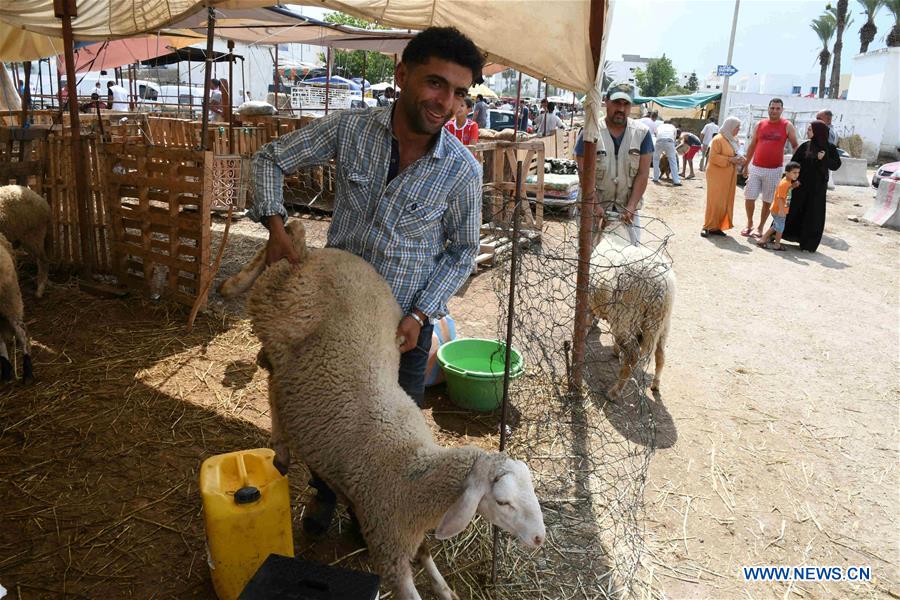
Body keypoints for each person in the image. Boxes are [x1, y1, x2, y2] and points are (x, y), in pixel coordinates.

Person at [250, 26, 484, 534]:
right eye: (435, 83)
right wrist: (274, 228)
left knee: (394, 431)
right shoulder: (352, 129)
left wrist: (422, 313)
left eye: (459, 93)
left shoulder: (462, 171)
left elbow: (463, 251)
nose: (446, 102)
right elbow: (269, 159)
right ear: (402, 74)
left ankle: (376, 512)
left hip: (402, 325)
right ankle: (325, 492)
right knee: (324, 415)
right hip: (332, 315)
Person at [573, 81, 653, 241]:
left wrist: (631, 207)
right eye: (616, 102)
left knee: (629, 258)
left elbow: (643, 174)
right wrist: (595, 205)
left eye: (626, 104)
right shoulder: (590, 131)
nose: (621, 109)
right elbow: (583, 173)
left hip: (627, 212)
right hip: (594, 210)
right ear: (606, 101)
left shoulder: (642, 134)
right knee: (590, 258)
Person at [741, 97, 800, 238]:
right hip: (756, 167)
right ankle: (749, 224)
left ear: (782, 110)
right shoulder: (760, 124)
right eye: (772, 108)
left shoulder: (787, 125)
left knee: (767, 200)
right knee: (749, 196)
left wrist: (792, 170)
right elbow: (752, 145)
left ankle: (760, 227)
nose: (774, 111)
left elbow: (795, 146)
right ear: (768, 108)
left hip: (774, 169)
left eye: (777, 108)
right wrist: (746, 165)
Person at [782, 120, 841, 252]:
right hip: (800, 186)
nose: (807, 132)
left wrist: (824, 159)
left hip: (817, 189)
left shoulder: (830, 148)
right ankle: (782, 234)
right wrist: (789, 180)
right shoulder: (805, 146)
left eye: (810, 130)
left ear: (818, 132)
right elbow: (794, 163)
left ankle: (808, 244)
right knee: (794, 210)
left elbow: (836, 165)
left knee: (813, 215)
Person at [702, 117, 745, 237]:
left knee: (724, 201)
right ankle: (707, 226)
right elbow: (713, 158)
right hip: (716, 174)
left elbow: (736, 153)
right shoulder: (718, 139)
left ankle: (716, 227)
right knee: (714, 200)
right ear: (730, 127)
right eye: (737, 127)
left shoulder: (733, 140)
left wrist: (740, 159)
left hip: (729, 174)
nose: (738, 129)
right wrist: (731, 159)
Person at [756, 162, 801, 251]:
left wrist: (792, 186)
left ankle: (762, 240)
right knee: (780, 228)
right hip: (779, 210)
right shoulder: (785, 183)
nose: (796, 175)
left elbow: (786, 192)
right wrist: (781, 210)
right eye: (794, 172)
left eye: (798, 172)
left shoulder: (787, 182)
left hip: (779, 209)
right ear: (787, 172)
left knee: (776, 226)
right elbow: (780, 198)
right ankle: (777, 245)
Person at [652, 120, 681, 186]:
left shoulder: (660, 126)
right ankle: (676, 181)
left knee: (656, 159)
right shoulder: (673, 127)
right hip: (669, 141)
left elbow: (656, 134)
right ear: (670, 123)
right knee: (672, 161)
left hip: (659, 141)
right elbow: (674, 137)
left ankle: (655, 178)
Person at [816, 109, 838, 190]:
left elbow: (825, 150)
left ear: (828, 119)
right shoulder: (831, 130)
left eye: (819, 119)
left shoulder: (827, 131)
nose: (816, 121)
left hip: (821, 167)